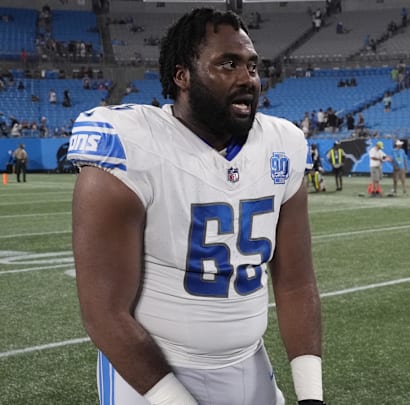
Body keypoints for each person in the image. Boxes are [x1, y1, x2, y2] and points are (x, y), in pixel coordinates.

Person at [67, 8, 325, 405]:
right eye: (228, 64)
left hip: (247, 363)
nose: (248, 79)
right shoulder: (130, 144)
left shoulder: (283, 145)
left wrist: (311, 396)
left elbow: (296, 281)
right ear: (181, 75)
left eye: (252, 65)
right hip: (150, 375)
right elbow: (104, 314)